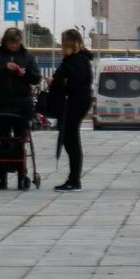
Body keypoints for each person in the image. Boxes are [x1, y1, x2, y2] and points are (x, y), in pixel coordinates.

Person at [0, 27, 41, 190]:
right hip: (1, 104)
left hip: (22, 106)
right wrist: (4, 68)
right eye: (11, 43)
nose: (14, 46)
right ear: (6, 42)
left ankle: (22, 176)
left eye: (17, 43)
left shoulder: (28, 57)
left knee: (20, 141)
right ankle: (3, 178)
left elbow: (36, 78)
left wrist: (25, 73)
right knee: (4, 140)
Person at [47, 28, 94, 192]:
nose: (61, 47)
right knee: (69, 139)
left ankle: (74, 180)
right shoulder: (75, 59)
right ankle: (73, 178)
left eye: (64, 43)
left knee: (71, 139)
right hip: (74, 102)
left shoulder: (78, 60)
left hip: (75, 103)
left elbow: (75, 83)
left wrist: (55, 83)